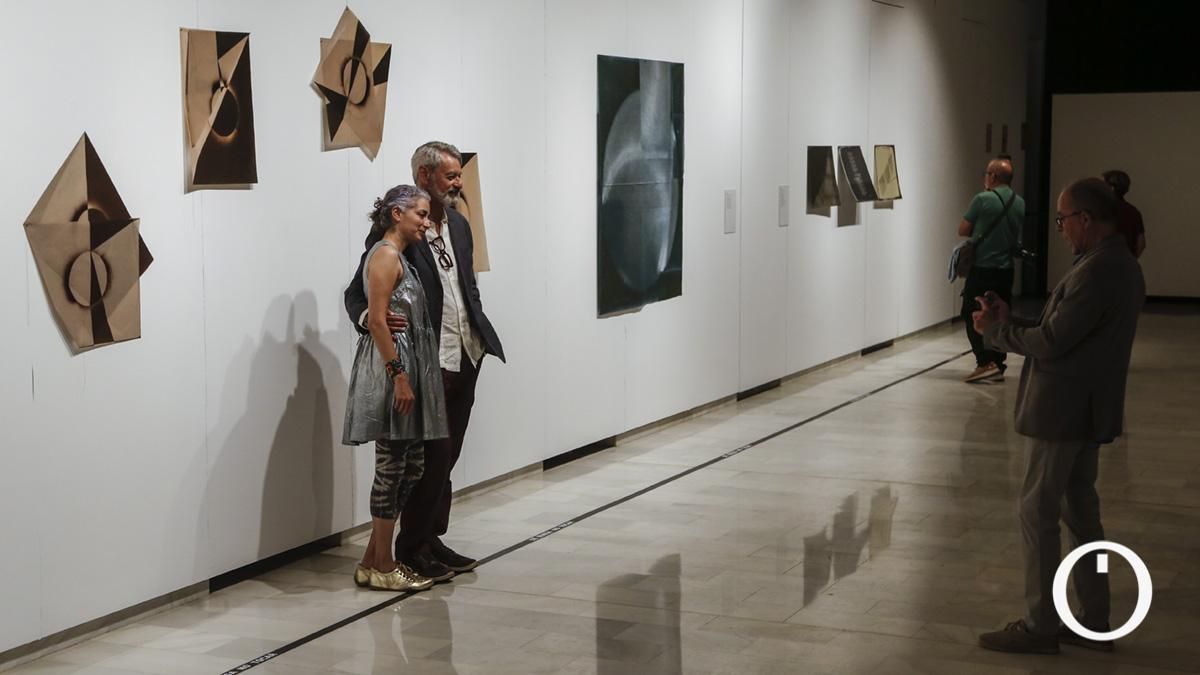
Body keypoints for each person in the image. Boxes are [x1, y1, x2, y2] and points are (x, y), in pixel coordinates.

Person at [973, 177, 1145, 654]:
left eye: (1063, 219)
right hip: (1085, 408)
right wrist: (1012, 322)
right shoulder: (1116, 264)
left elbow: (1051, 344)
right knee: (1080, 513)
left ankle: (1041, 624)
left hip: (1064, 411)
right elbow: (1063, 330)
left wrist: (998, 332)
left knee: (1038, 512)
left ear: (1085, 220)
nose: (1061, 229)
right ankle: (1095, 619)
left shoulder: (1098, 271)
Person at [344, 141, 505, 582]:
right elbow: (358, 294)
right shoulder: (398, 235)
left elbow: (463, 286)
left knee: (445, 458)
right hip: (427, 362)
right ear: (423, 177)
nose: (458, 184)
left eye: (458, 176)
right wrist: (371, 320)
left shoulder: (458, 223)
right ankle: (407, 549)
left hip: (466, 352)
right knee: (422, 461)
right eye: (450, 176)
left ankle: (430, 538)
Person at [342, 185, 448, 592]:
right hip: (394, 371)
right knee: (391, 467)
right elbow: (379, 320)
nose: (426, 221)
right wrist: (399, 375)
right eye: (420, 214)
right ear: (396, 214)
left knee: (412, 466)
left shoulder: (398, 255)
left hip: (407, 366)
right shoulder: (385, 255)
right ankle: (385, 564)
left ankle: (372, 558)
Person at [958, 157, 1024, 383]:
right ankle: (998, 361)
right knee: (999, 314)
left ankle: (985, 362)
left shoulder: (982, 199)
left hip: (982, 268)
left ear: (993, 176)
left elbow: (963, 229)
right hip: (1005, 269)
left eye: (986, 173)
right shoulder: (1019, 202)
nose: (985, 177)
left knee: (972, 312)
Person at [1101, 170, 1146, 258]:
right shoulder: (1134, 212)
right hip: (1127, 263)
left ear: (1111, 187)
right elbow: (1141, 243)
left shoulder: (1101, 210)